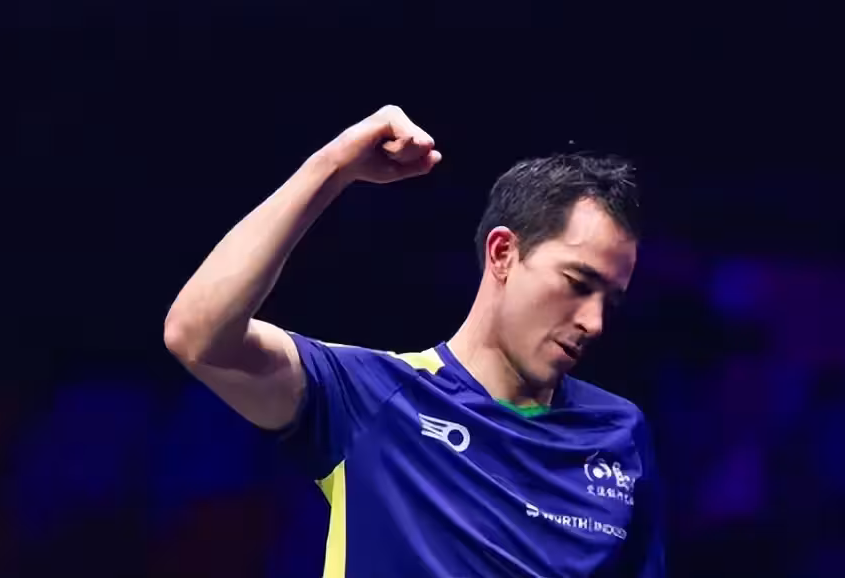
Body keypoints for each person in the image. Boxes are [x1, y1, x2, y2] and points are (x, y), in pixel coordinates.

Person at [164, 105, 664, 577]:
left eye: (611, 301)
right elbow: (197, 335)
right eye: (577, 283)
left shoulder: (618, 433)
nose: (594, 322)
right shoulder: (375, 398)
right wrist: (333, 165)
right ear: (503, 254)